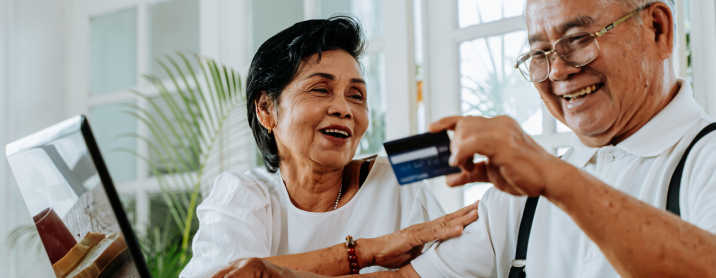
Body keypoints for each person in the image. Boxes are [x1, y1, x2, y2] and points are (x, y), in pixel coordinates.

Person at [203, 0, 716, 277]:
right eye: (539, 53)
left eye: (578, 40)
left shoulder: (704, 159)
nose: (557, 69)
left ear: (657, 29)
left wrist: (556, 176)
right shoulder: (515, 204)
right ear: (266, 110)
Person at [179, 16, 479, 278]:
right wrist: (365, 251)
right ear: (266, 110)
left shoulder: (397, 188)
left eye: (357, 95)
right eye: (321, 89)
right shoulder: (242, 195)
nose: (344, 108)